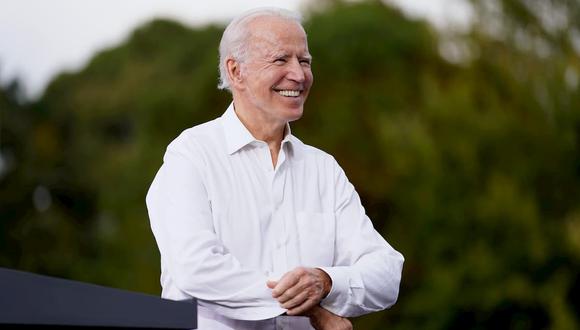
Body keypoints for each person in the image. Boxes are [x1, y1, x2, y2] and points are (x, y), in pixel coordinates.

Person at [146, 7, 404, 330]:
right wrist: (310, 309)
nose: (298, 75)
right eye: (281, 60)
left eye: (305, 61)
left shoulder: (324, 169)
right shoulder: (190, 155)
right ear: (236, 71)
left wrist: (326, 282)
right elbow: (195, 268)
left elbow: (387, 271)